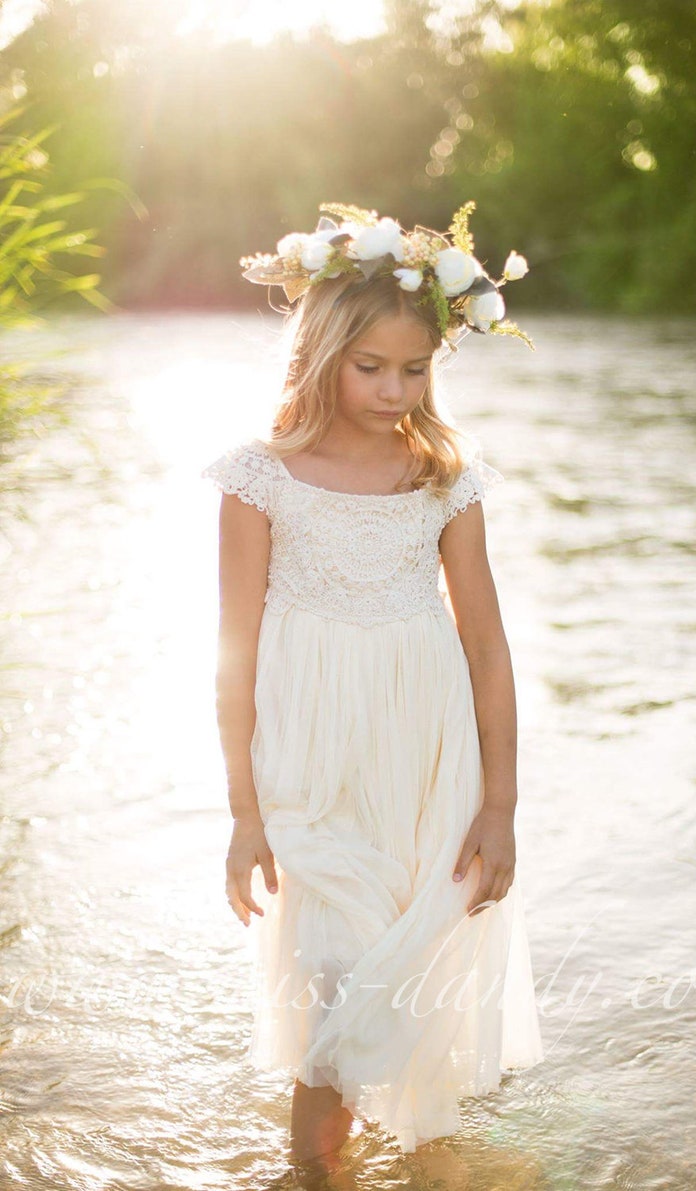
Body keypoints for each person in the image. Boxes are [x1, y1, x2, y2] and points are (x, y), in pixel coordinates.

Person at [201, 201, 545, 1172]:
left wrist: (500, 808)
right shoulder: (259, 480)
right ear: (319, 353)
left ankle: (401, 1167)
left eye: (415, 369)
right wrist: (244, 814)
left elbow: (486, 648)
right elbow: (234, 654)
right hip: (311, 769)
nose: (395, 389)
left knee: (406, 987)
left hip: (427, 764)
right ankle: (315, 1175)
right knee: (333, 992)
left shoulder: (444, 478)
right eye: (370, 367)